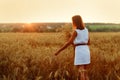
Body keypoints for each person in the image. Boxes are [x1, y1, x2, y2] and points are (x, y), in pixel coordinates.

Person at [54, 15, 90, 80]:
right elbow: (89, 42)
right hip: (86, 50)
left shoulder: (76, 31)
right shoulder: (86, 30)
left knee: (81, 71)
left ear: (75, 22)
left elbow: (68, 43)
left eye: (72, 21)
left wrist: (58, 51)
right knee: (85, 72)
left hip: (80, 51)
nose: (72, 22)